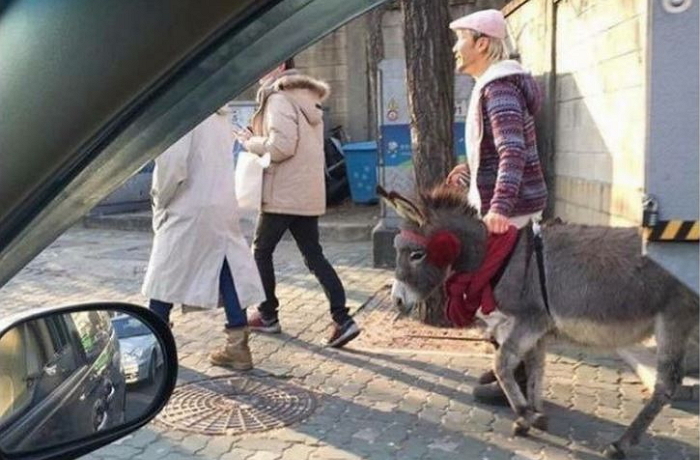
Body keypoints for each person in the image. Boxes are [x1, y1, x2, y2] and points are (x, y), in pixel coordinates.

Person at [446, 9, 548, 404]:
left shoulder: (498, 88)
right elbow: (496, 151)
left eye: (461, 40)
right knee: (496, 294)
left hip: (511, 212)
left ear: (482, 44)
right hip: (511, 207)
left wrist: (499, 207)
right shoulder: (493, 85)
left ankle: (519, 378)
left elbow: (513, 151)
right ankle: (510, 361)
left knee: (497, 297)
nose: (456, 49)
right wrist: (470, 172)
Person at [234, 59, 361, 348]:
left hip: (283, 193)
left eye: (265, 66)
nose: (259, 73)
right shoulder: (306, 97)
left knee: (261, 251)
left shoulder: (279, 98)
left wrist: (250, 142)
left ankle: (268, 315)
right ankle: (343, 319)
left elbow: (281, 147)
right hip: (305, 192)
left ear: (280, 66)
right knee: (313, 255)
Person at [142, 107, 264, 370]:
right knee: (225, 267)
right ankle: (237, 346)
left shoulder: (181, 108)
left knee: (164, 276)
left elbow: (172, 164)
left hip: (187, 203)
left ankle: (154, 345)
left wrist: (160, 199)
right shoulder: (219, 111)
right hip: (220, 200)